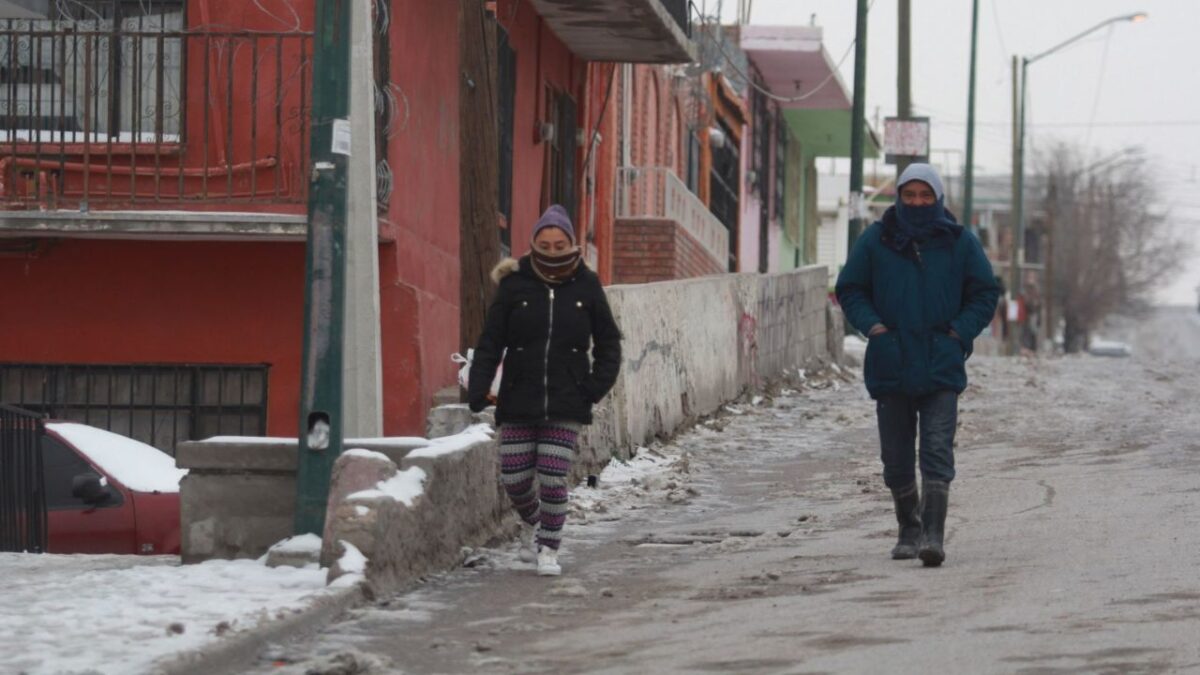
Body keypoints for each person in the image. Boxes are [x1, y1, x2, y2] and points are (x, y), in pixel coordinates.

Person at [835, 164, 999, 567]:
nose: (918, 203)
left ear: (938, 198)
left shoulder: (960, 243)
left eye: (926, 196)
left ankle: (933, 535)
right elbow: (850, 288)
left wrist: (959, 333)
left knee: (937, 449)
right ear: (899, 197)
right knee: (895, 457)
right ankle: (908, 527)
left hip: (942, 363)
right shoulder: (876, 240)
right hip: (891, 364)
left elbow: (983, 293)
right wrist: (874, 328)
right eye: (910, 195)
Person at [468, 204, 622, 577]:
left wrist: (591, 389)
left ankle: (549, 547)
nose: (552, 250)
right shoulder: (514, 283)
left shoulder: (587, 285)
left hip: (568, 401)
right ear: (534, 243)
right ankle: (535, 522)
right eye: (545, 244)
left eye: (559, 244)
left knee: (553, 476)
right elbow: (491, 341)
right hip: (518, 397)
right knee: (515, 478)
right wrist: (478, 386)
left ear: (570, 243)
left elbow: (608, 345)